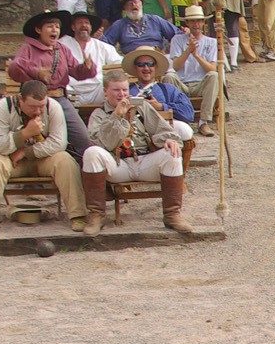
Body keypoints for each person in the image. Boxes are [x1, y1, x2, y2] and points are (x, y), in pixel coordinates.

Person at [80, 69, 192, 235]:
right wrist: (116, 116)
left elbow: (162, 129)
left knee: (172, 153)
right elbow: (104, 144)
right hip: (118, 165)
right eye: (116, 90)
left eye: (124, 89)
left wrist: (169, 139)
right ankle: (96, 215)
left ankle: (172, 214)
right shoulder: (99, 115)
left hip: (144, 160)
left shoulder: (141, 107)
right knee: (92, 153)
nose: (122, 94)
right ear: (105, 92)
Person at [0, 79, 87, 235]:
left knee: (65, 160)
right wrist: (24, 134)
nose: (38, 111)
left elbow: (58, 143)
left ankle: (78, 215)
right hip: (11, 160)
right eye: (33, 107)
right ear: (20, 99)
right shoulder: (3, 107)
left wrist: (26, 152)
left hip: (42, 159)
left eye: (41, 106)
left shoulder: (53, 107)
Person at [6, 10, 95, 160]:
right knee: (35, 139)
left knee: (82, 139)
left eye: (57, 27)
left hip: (60, 100)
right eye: (50, 26)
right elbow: (14, 68)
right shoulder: (28, 48)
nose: (55, 30)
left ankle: (85, 170)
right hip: (35, 101)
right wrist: (37, 72)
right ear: (38, 30)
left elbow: (77, 72)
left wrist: (87, 68)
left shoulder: (62, 49)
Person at [124, 47, 198, 174]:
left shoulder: (167, 89)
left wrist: (162, 106)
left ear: (155, 67)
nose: (146, 68)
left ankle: (179, 173)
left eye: (150, 64)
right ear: (135, 68)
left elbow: (188, 113)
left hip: (163, 128)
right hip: (134, 130)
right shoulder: (126, 90)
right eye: (141, 64)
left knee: (185, 130)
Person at [167, 5, 223, 137]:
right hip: (182, 84)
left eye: (198, 21)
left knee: (214, 76)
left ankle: (203, 122)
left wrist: (196, 55)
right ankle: (176, 119)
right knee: (169, 77)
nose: (196, 24)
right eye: (192, 21)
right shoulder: (177, 40)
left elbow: (212, 68)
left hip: (200, 84)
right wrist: (188, 51)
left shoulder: (211, 42)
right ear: (187, 23)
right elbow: (176, 66)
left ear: (203, 22)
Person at [61, 11, 121, 105]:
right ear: (73, 27)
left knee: (114, 87)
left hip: (98, 90)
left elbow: (119, 64)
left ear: (91, 27)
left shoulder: (102, 46)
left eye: (87, 23)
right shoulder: (63, 45)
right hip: (72, 91)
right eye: (80, 23)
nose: (84, 25)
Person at [102, 0, 177, 54]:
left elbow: (177, 34)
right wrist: (98, 37)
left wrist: (170, 49)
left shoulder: (155, 20)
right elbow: (105, 43)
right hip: (131, 60)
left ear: (141, 4)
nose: (133, 4)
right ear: (124, 8)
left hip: (156, 57)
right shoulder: (119, 24)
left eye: (136, 2)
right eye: (129, 3)